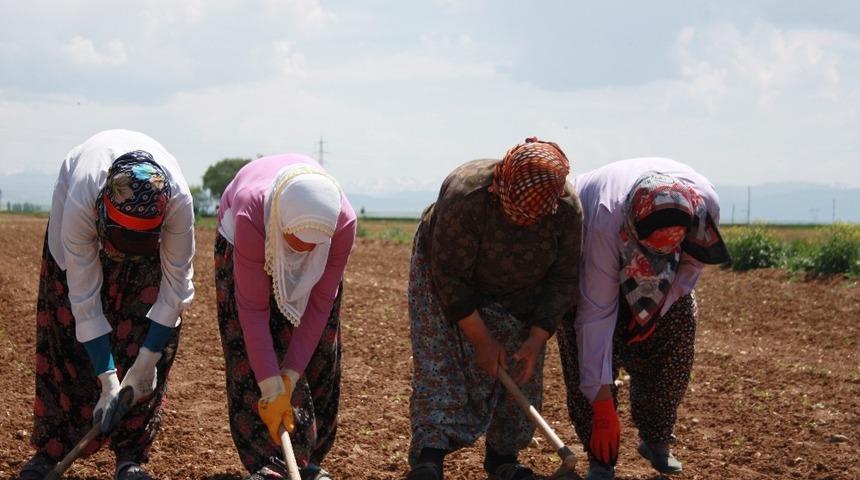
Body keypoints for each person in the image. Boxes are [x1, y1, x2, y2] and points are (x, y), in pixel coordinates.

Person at [18, 130, 195, 480]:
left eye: (139, 240)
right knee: (67, 337)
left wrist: (145, 363)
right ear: (103, 212)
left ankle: (130, 459)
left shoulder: (178, 204)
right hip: (79, 240)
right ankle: (50, 453)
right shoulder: (82, 200)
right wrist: (108, 381)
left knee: (145, 335)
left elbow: (175, 289)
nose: (123, 255)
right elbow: (83, 299)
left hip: (148, 252)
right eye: (121, 239)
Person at [406, 138, 583, 480]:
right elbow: (450, 277)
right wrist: (482, 339)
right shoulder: (465, 196)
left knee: (520, 369)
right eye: (515, 212)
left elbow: (563, 279)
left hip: (523, 290)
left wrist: (537, 337)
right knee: (439, 361)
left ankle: (503, 459)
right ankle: (429, 459)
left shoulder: (566, 211)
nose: (521, 222)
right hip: (446, 276)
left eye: (532, 218)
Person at [557, 157, 730, 480]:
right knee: (580, 333)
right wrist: (603, 406)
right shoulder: (603, 223)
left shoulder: (704, 205)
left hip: (659, 263)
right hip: (588, 249)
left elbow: (691, 267)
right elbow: (595, 317)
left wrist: (657, 311)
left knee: (677, 327)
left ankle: (656, 438)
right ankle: (601, 458)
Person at [214, 154, 356, 480]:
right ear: (281, 224)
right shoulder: (251, 216)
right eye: (295, 244)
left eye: (312, 247)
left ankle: (310, 460)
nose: (302, 253)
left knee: (322, 348)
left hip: (305, 235)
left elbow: (320, 306)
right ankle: (270, 464)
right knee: (250, 351)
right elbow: (252, 310)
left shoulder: (341, 224)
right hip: (246, 238)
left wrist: (289, 376)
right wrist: (271, 385)